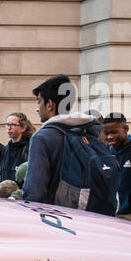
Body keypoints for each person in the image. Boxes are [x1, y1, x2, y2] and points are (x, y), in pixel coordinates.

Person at [21, 75, 115, 212]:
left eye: (39, 101)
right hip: (90, 216)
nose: (37, 108)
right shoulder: (90, 131)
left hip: (55, 218)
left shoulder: (42, 138)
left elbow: (35, 190)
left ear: (50, 104)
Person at [102, 113, 131, 222]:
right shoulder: (109, 152)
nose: (109, 137)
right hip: (116, 214)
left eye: (114, 132)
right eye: (106, 133)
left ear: (126, 128)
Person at [1, 112, 34, 180]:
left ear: (23, 128)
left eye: (13, 125)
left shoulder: (29, 147)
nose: (9, 128)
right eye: (7, 124)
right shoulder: (6, 149)